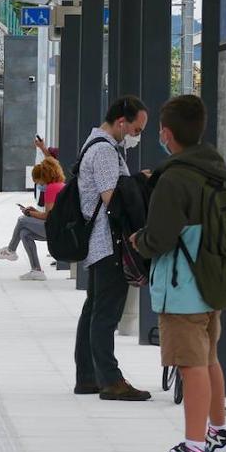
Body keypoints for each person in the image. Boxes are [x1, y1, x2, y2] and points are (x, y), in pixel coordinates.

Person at [129, 95, 226, 452]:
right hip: (212, 280)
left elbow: (159, 237)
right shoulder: (214, 168)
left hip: (182, 286)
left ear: (168, 133)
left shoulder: (174, 177)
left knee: (190, 364)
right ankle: (216, 434)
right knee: (208, 359)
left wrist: (138, 241)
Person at [72, 95, 152, 402]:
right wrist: (139, 182)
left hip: (98, 243)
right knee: (106, 313)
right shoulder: (105, 150)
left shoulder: (94, 144)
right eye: (136, 128)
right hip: (108, 244)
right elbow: (112, 199)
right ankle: (110, 380)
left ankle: (87, 376)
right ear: (122, 121)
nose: (136, 135)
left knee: (93, 309)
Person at [0, 157, 65, 280]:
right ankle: (36, 270)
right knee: (25, 233)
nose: (39, 184)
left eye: (39, 181)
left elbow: (48, 216)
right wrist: (35, 212)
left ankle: (11, 250)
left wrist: (30, 214)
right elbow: (52, 213)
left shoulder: (51, 189)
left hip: (55, 229)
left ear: (44, 177)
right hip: (59, 227)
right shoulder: (60, 185)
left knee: (22, 220)